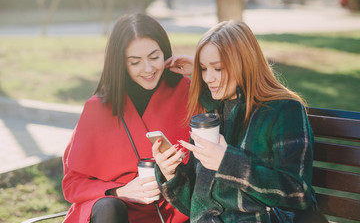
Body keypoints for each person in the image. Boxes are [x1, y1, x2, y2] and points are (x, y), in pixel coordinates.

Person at [153, 21, 327, 222]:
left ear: (244, 64)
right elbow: (195, 206)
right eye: (203, 68)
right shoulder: (213, 115)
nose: (208, 78)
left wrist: (228, 163)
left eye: (217, 68)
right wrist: (171, 174)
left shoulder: (284, 111)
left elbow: (297, 193)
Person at [62, 13, 193, 223]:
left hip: (176, 210)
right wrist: (119, 191)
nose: (148, 69)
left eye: (154, 57)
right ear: (121, 64)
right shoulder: (96, 108)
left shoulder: (187, 90)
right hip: (114, 212)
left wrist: (200, 70)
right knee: (108, 207)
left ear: (165, 53)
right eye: (135, 62)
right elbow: (72, 184)